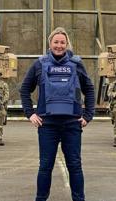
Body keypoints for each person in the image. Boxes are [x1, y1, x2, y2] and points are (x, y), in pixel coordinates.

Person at [20, 27, 95, 201]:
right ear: (50, 44)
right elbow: (25, 89)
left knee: (75, 166)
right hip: (47, 124)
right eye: (56, 42)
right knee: (45, 166)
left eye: (62, 42)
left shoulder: (76, 64)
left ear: (67, 44)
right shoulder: (39, 64)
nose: (59, 46)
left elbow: (89, 89)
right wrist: (29, 113)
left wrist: (88, 115)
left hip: (72, 123)